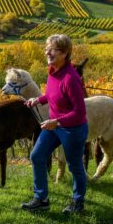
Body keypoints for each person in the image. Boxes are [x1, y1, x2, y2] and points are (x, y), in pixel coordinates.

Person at [22, 34, 89, 214]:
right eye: (47, 49)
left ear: (64, 53)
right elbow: (54, 94)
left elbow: (80, 112)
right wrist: (38, 99)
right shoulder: (53, 71)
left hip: (72, 129)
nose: (47, 53)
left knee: (74, 166)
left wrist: (57, 122)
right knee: (37, 156)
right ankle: (41, 199)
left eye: (52, 50)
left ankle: (78, 203)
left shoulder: (70, 78)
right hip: (55, 126)